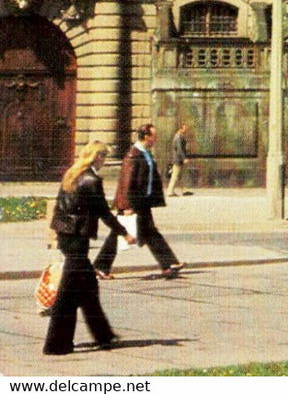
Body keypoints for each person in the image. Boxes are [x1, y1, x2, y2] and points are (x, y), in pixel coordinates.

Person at [43, 140, 136, 355]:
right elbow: (104, 212)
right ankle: (56, 344)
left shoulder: (73, 173)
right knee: (67, 295)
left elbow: (59, 206)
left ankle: (104, 335)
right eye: (103, 157)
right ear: (98, 157)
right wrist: (125, 233)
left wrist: (56, 233)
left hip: (66, 235)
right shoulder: (91, 180)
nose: (103, 161)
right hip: (77, 239)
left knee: (88, 289)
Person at [94, 123, 183, 279]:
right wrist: (127, 205)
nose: (155, 139)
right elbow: (127, 181)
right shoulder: (133, 154)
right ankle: (101, 267)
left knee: (150, 232)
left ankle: (168, 265)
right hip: (133, 203)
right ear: (146, 136)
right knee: (119, 233)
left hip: (142, 202)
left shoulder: (145, 153)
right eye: (154, 135)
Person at [166, 122, 190, 197]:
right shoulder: (178, 137)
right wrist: (184, 158)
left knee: (180, 175)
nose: (186, 130)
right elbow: (179, 149)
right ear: (180, 129)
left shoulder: (179, 136)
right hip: (178, 159)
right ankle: (170, 191)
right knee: (175, 175)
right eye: (185, 128)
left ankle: (184, 190)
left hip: (178, 158)